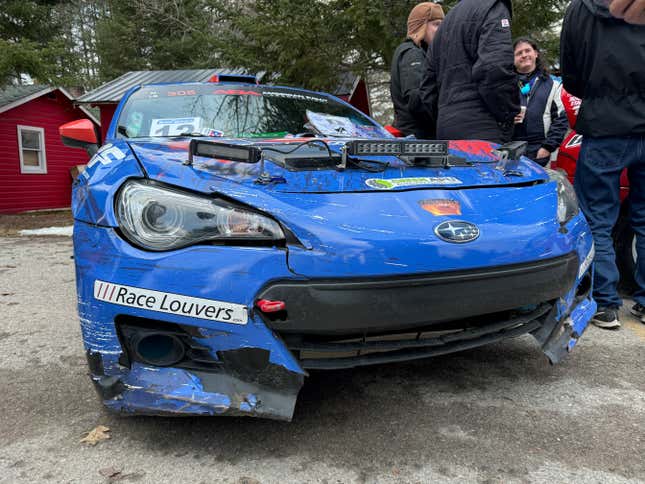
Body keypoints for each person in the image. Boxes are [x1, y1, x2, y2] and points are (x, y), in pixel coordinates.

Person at [561, 0, 645, 329]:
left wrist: (598, 94)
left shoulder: (582, 7)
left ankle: (605, 303)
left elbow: (572, 72)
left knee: (597, 215)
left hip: (605, 122)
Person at [419, 0, 520, 143]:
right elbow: (494, 68)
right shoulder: (493, 7)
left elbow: (427, 89)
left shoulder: (446, 23)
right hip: (484, 128)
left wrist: (447, 116)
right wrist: (509, 113)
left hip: (447, 131)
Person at [390, 2, 444, 139]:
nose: (441, 29)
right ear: (421, 25)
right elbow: (416, 99)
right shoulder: (411, 53)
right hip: (417, 141)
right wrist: (443, 118)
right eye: (436, 24)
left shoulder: (423, 53)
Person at [511, 38, 568, 166]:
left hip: (541, 149)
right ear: (513, 60)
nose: (524, 55)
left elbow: (562, 118)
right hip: (512, 149)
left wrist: (548, 147)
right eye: (519, 53)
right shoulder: (505, 86)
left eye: (527, 51)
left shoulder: (554, 83)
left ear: (536, 54)